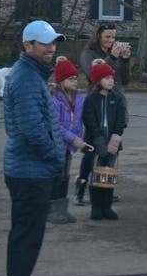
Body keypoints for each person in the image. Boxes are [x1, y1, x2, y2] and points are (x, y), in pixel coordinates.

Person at [2, 20, 66, 276]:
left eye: (53, 42)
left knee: (28, 235)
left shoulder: (33, 74)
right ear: (28, 45)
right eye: (44, 43)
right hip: (29, 171)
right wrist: (55, 158)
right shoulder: (26, 78)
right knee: (26, 237)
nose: (50, 48)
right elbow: (32, 131)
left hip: (32, 168)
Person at [76, 23, 131, 202]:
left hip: (116, 104)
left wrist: (124, 60)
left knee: (112, 149)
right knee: (92, 149)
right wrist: (112, 57)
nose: (111, 40)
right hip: (96, 105)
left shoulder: (114, 53)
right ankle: (80, 190)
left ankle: (103, 190)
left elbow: (125, 80)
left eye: (113, 37)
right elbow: (94, 76)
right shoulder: (88, 54)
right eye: (107, 36)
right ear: (98, 36)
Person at [81, 61, 126, 221]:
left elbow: (121, 120)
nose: (111, 81)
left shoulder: (117, 98)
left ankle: (107, 206)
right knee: (97, 175)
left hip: (112, 142)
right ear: (98, 80)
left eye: (111, 78)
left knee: (108, 175)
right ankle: (96, 207)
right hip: (95, 143)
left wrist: (115, 138)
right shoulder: (91, 99)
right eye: (106, 78)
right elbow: (89, 120)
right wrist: (98, 140)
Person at [48, 58, 90, 225]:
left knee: (65, 177)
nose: (74, 81)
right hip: (57, 144)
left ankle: (61, 210)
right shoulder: (55, 99)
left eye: (75, 78)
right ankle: (52, 211)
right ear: (61, 81)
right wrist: (74, 139)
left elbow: (80, 120)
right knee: (56, 177)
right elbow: (55, 126)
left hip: (69, 146)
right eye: (70, 79)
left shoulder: (79, 99)